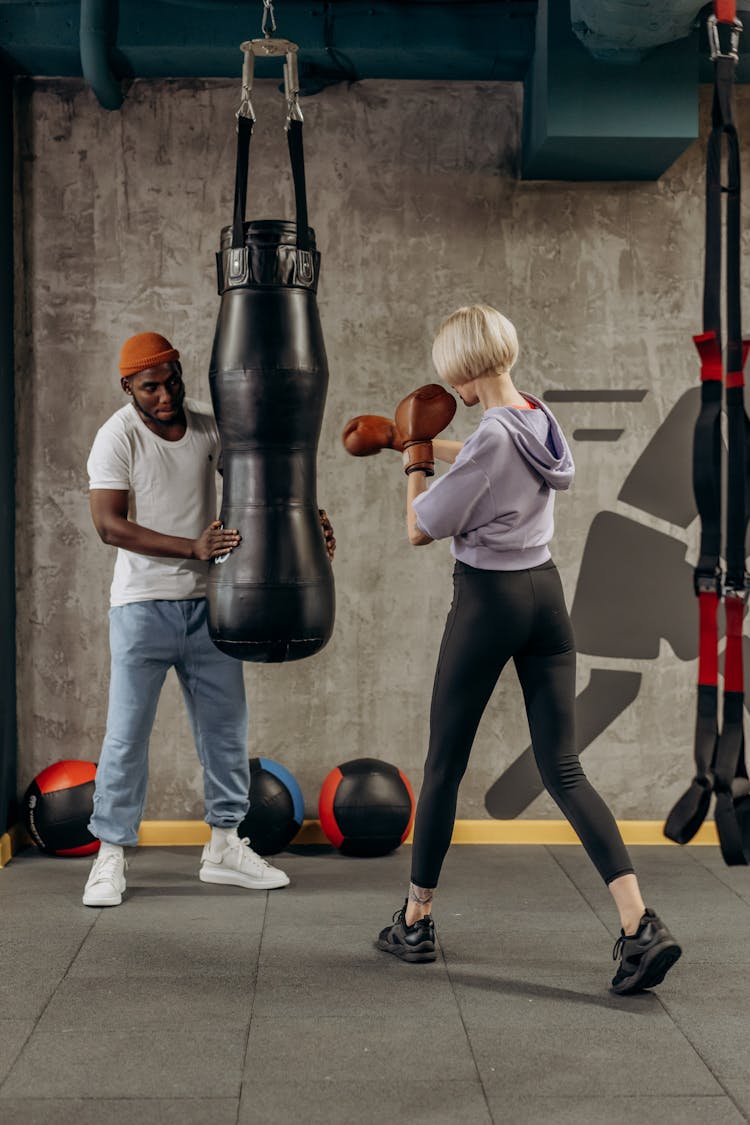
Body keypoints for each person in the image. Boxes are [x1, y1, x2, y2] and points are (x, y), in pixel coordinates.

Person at [374, 305, 682, 995]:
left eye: (452, 372)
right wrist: (409, 440)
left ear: (465, 368)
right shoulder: (538, 418)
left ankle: (415, 920)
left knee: (443, 763)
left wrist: (415, 463)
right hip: (546, 595)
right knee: (563, 766)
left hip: (489, 602)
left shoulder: (490, 439)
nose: (449, 385)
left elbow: (420, 528)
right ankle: (640, 925)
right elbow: (493, 451)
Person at [83, 331, 335, 908]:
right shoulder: (115, 437)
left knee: (225, 734)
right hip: (141, 608)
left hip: (210, 607)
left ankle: (224, 845)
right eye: (152, 386)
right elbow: (109, 525)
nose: (166, 393)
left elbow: (261, 485)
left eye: (173, 379)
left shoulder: (207, 428)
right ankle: (110, 857)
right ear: (129, 388)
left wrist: (307, 523)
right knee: (126, 739)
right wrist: (190, 548)